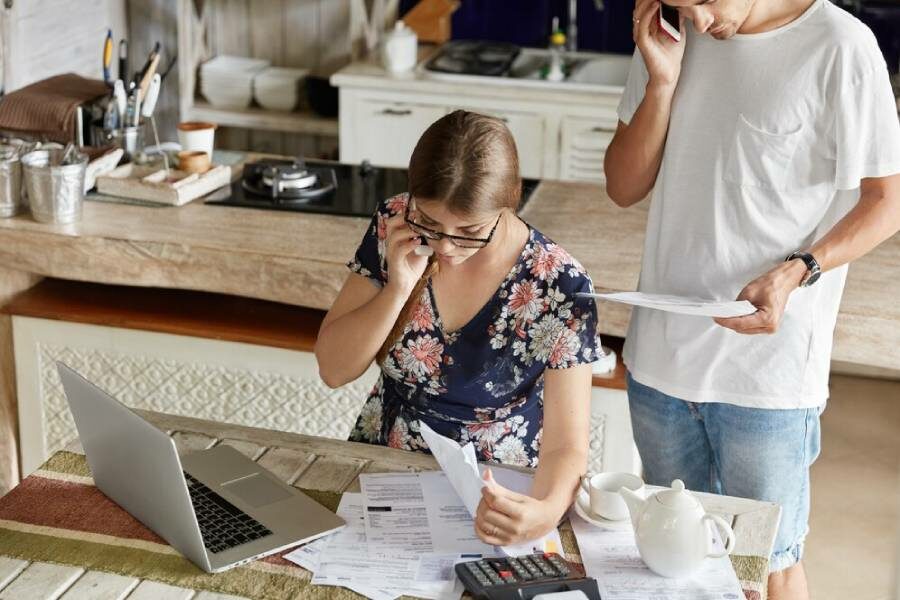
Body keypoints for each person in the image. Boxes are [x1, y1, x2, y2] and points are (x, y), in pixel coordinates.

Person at [604, 0, 900, 598]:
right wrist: (662, 82)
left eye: (705, 3)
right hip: (662, 361)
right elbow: (623, 185)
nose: (701, 20)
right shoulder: (674, 36)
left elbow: (887, 199)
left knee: (766, 566)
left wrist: (799, 270)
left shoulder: (840, 45)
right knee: (680, 559)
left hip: (767, 377)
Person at [315, 110, 600, 546]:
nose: (445, 247)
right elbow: (334, 369)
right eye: (430, 223)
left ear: (509, 204)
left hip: (494, 492)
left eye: (469, 232)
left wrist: (544, 512)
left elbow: (567, 445)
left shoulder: (560, 284)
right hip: (385, 469)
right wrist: (397, 289)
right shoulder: (395, 222)